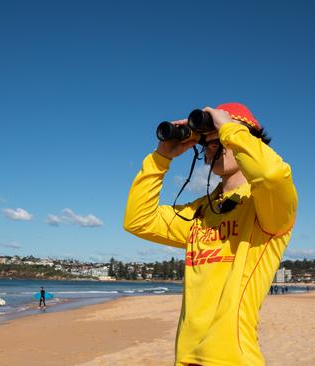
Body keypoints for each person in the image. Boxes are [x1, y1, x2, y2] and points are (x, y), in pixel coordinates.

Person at [124, 102, 297, 366]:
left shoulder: (265, 208)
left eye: (221, 140)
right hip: (185, 358)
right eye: (207, 143)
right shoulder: (200, 211)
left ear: (247, 141)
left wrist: (228, 128)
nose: (213, 146)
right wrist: (161, 159)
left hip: (233, 359)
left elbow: (272, 175)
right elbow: (139, 220)